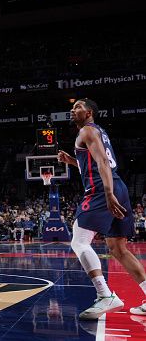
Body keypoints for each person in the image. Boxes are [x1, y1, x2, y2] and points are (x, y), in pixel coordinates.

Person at [58, 98, 146, 319]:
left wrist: (107, 194)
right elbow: (95, 160)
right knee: (118, 248)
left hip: (101, 190)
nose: (72, 109)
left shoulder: (86, 131)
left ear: (89, 113)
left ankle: (105, 295)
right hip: (119, 185)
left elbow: (102, 163)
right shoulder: (98, 131)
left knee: (79, 241)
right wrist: (71, 161)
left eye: (78, 106)